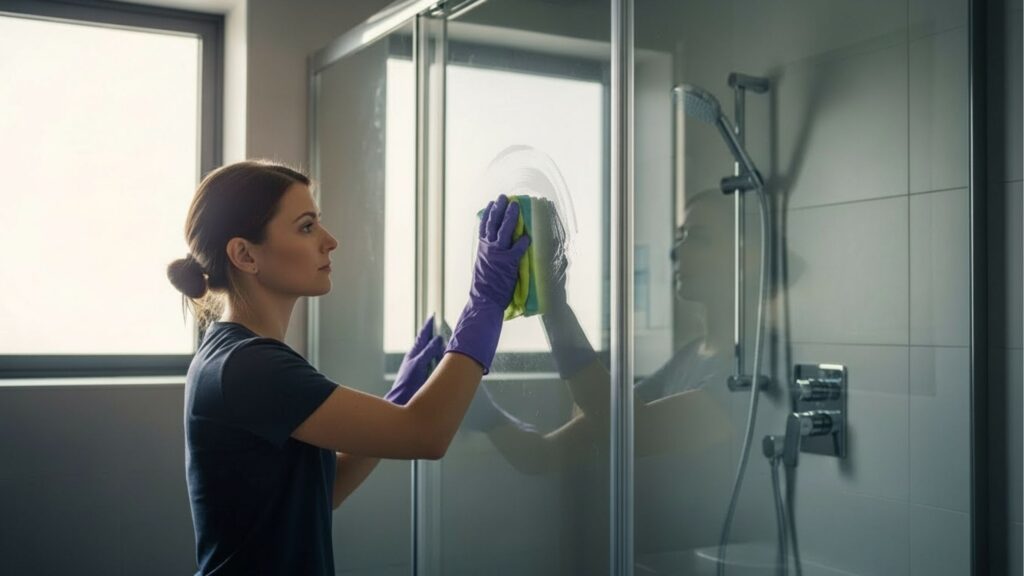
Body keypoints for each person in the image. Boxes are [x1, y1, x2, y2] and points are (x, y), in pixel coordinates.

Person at [165, 159, 529, 576]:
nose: (330, 240)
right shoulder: (249, 366)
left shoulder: (235, 354)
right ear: (245, 254)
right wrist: (484, 303)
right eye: (306, 227)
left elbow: (326, 489)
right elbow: (427, 435)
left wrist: (397, 400)